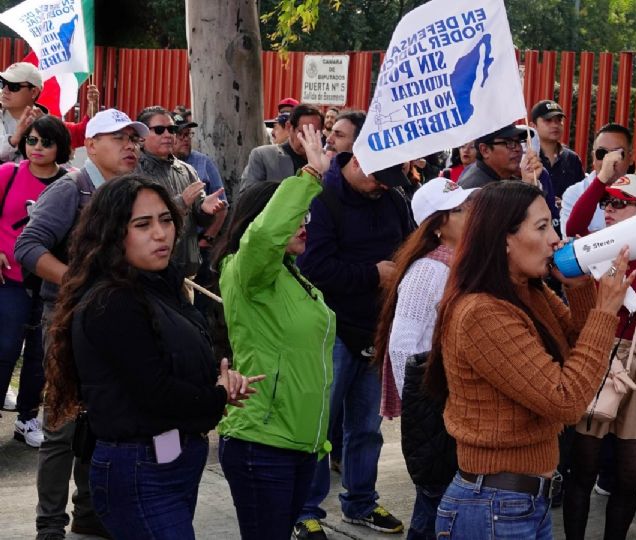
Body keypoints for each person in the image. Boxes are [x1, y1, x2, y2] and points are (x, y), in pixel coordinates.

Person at [42, 173, 261, 539]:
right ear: (111, 233)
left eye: (166, 220)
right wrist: (219, 395)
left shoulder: (161, 283)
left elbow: (185, 361)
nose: (161, 234)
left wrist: (220, 380)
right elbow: (155, 391)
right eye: (142, 224)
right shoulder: (111, 301)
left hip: (177, 457)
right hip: (138, 468)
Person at [428, 180, 635, 538]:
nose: (556, 238)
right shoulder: (483, 312)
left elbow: (577, 350)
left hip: (518, 502)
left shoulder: (526, 291)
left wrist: (580, 287)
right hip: (494, 504)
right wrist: (605, 311)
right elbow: (567, 399)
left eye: (552, 224)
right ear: (504, 239)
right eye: (542, 227)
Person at [15, 108, 147, 540]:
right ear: (91, 145)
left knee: (104, 418)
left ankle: (90, 512)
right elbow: (28, 245)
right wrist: (79, 281)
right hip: (68, 318)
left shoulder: (131, 192)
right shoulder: (71, 188)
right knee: (62, 425)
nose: (131, 145)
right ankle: (50, 525)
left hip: (117, 320)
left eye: (133, 137)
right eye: (118, 138)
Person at [215, 125, 336, 540]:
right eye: (295, 216)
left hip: (300, 446)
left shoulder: (289, 277)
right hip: (261, 444)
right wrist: (309, 178)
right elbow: (265, 235)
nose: (304, 224)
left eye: (306, 216)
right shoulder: (247, 271)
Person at [294, 150, 414, 537]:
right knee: (318, 427)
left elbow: (409, 244)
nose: (384, 185)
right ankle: (304, 509)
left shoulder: (392, 196)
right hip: (332, 330)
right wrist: (371, 275)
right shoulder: (322, 200)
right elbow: (311, 267)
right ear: (359, 163)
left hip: (377, 329)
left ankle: (360, 501)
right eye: (380, 177)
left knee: (366, 426)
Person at [564, 170, 636, 540]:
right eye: (605, 203)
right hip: (598, 359)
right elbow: (574, 224)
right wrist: (601, 179)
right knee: (583, 468)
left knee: (632, 476)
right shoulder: (599, 245)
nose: (608, 210)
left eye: (619, 204)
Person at [373, 177, 475, 540]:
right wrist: (424, 408)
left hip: (458, 404)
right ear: (438, 224)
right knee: (435, 502)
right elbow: (403, 347)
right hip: (438, 408)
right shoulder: (427, 271)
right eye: (462, 210)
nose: (472, 215)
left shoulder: (465, 264)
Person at [0, 115, 72, 449]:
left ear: (61, 147)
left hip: (52, 283)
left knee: (41, 355)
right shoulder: (8, 174)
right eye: (31, 140)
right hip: (10, 278)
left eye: (46, 142)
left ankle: (28, 416)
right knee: (5, 348)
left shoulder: (71, 183)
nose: (38, 147)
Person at [136, 106, 227, 279]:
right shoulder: (134, 170)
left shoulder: (187, 170)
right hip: (149, 274)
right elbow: (141, 217)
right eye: (160, 130)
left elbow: (199, 217)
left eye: (171, 130)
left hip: (186, 271)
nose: (168, 135)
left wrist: (206, 210)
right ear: (142, 137)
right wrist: (181, 202)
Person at [560, 123, 635, 238]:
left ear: (630, 158)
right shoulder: (575, 193)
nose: (609, 160)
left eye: (618, 153)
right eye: (602, 153)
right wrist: (603, 178)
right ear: (593, 157)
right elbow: (572, 239)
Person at [241, 104, 324, 192]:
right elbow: (247, 197)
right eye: (304, 133)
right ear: (289, 127)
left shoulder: (327, 163)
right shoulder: (264, 156)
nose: (309, 138)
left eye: (314, 133)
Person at [529, 99, 584, 199]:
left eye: (559, 120)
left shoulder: (572, 159)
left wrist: (565, 204)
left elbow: (581, 195)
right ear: (533, 126)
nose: (555, 125)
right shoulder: (527, 157)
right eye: (548, 120)